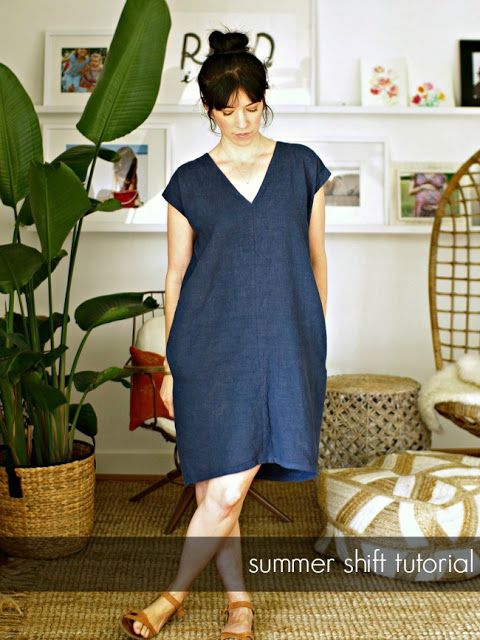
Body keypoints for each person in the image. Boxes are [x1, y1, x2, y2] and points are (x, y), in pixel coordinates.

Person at [120, 28, 330, 640]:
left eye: (251, 106)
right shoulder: (188, 182)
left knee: (226, 488)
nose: (241, 120)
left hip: (287, 346)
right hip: (209, 349)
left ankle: (169, 599)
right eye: (226, 110)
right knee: (222, 485)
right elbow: (176, 278)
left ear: (265, 100)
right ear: (209, 110)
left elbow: (317, 262)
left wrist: (314, 338)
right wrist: (171, 365)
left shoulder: (303, 169)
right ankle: (238, 603)